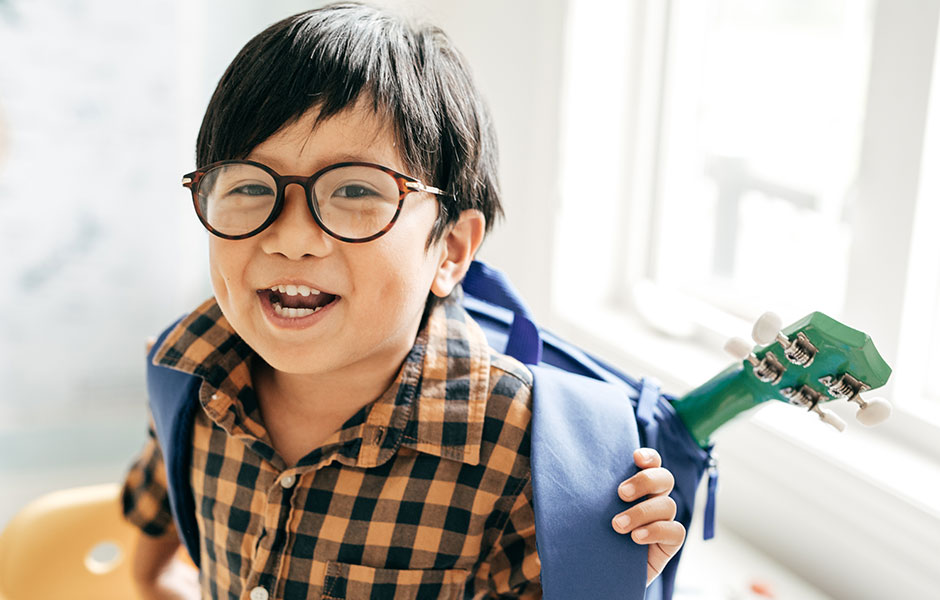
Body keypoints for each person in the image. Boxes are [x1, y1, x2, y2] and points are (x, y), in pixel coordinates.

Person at [121, 3, 686, 598]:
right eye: (250, 186)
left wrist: (607, 581)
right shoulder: (187, 368)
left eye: (355, 190)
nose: (289, 237)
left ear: (450, 251)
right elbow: (152, 572)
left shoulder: (530, 461)